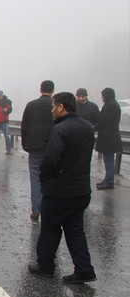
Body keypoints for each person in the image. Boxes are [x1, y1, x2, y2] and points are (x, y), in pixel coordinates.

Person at [28, 92, 96, 284]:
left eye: (53, 106)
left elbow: (51, 160)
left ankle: (45, 266)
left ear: (60, 107)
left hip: (59, 191)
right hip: (81, 190)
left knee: (50, 229)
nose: (51, 110)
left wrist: (43, 174)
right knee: (75, 230)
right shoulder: (86, 127)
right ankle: (84, 269)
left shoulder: (60, 129)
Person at [21, 80, 55, 222]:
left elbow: (24, 126)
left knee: (35, 179)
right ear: (52, 91)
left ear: (40, 90)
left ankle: (36, 210)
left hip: (34, 147)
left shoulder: (31, 105)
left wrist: (25, 145)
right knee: (52, 179)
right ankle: (51, 210)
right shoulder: (56, 106)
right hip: (53, 147)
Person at [93, 87, 122, 190]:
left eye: (102, 95)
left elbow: (104, 120)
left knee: (108, 159)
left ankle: (109, 181)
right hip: (109, 136)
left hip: (109, 137)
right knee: (108, 159)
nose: (101, 97)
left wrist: (94, 127)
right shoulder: (112, 104)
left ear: (106, 95)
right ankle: (107, 180)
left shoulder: (111, 105)